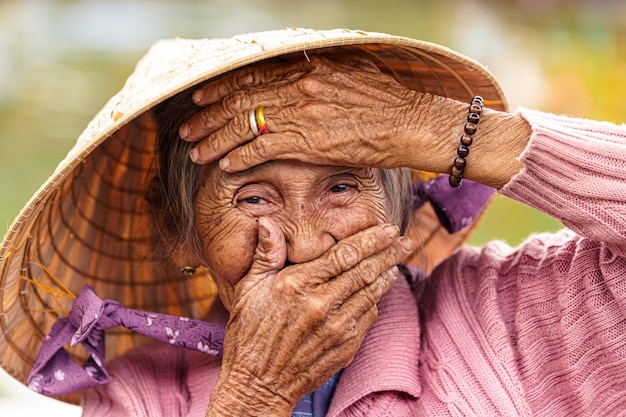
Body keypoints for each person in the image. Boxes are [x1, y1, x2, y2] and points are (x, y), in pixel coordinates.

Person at [0, 27, 623, 417]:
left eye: (342, 186)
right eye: (253, 199)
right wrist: (255, 394)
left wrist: (432, 129)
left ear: (402, 208)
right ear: (183, 228)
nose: (302, 242)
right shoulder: (141, 398)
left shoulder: (506, 314)